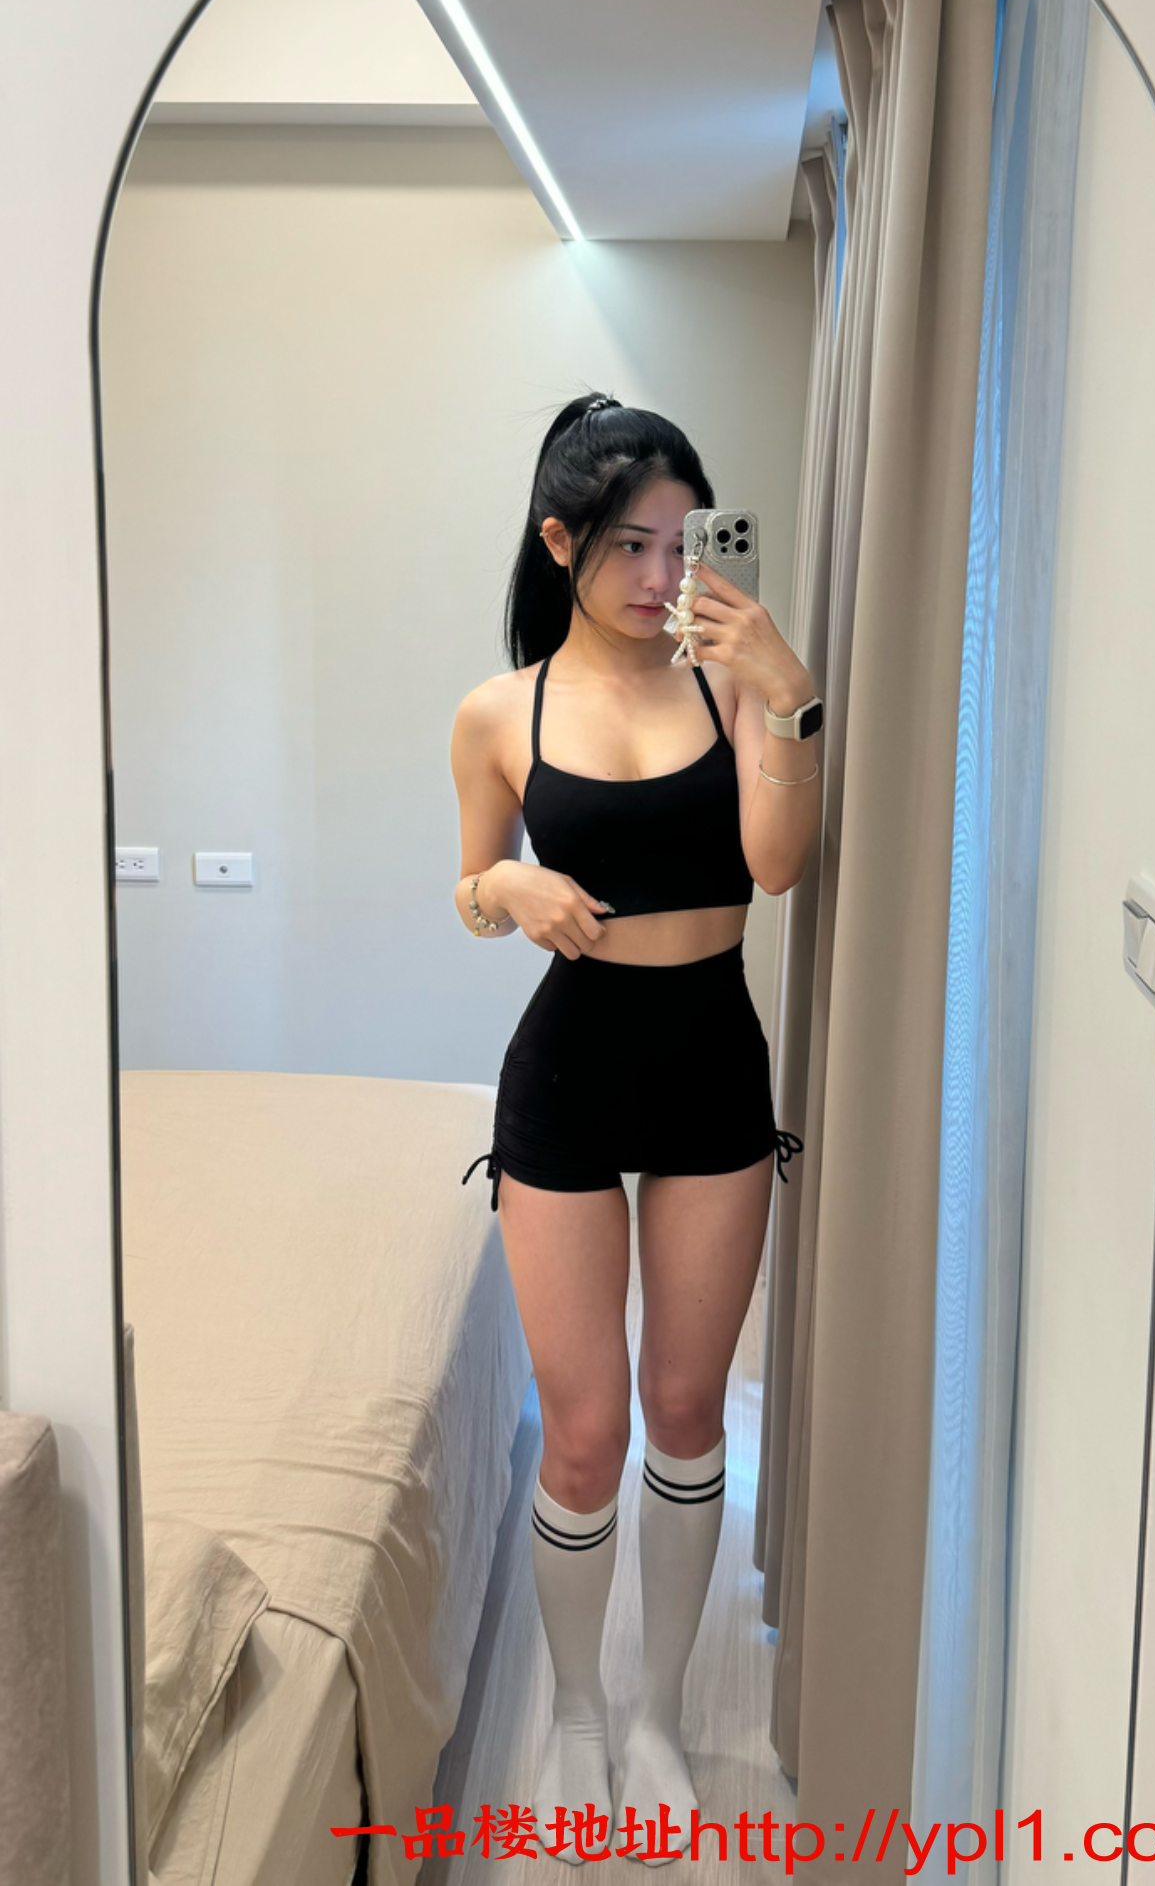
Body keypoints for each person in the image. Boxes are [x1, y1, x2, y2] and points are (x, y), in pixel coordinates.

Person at [450, 394, 821, 1864]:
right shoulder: (502, 711)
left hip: (711, 1066)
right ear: (561, 543)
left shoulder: (731, 683)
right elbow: (470, 884)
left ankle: (658, 1712)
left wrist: (786, 690)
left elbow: (776, 867)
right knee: (587, 1432)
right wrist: (507, 888)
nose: (666, 574)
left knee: (684, 1409)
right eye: (631, 546)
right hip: (565, 1074)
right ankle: (573, 1714)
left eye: (683, 541)